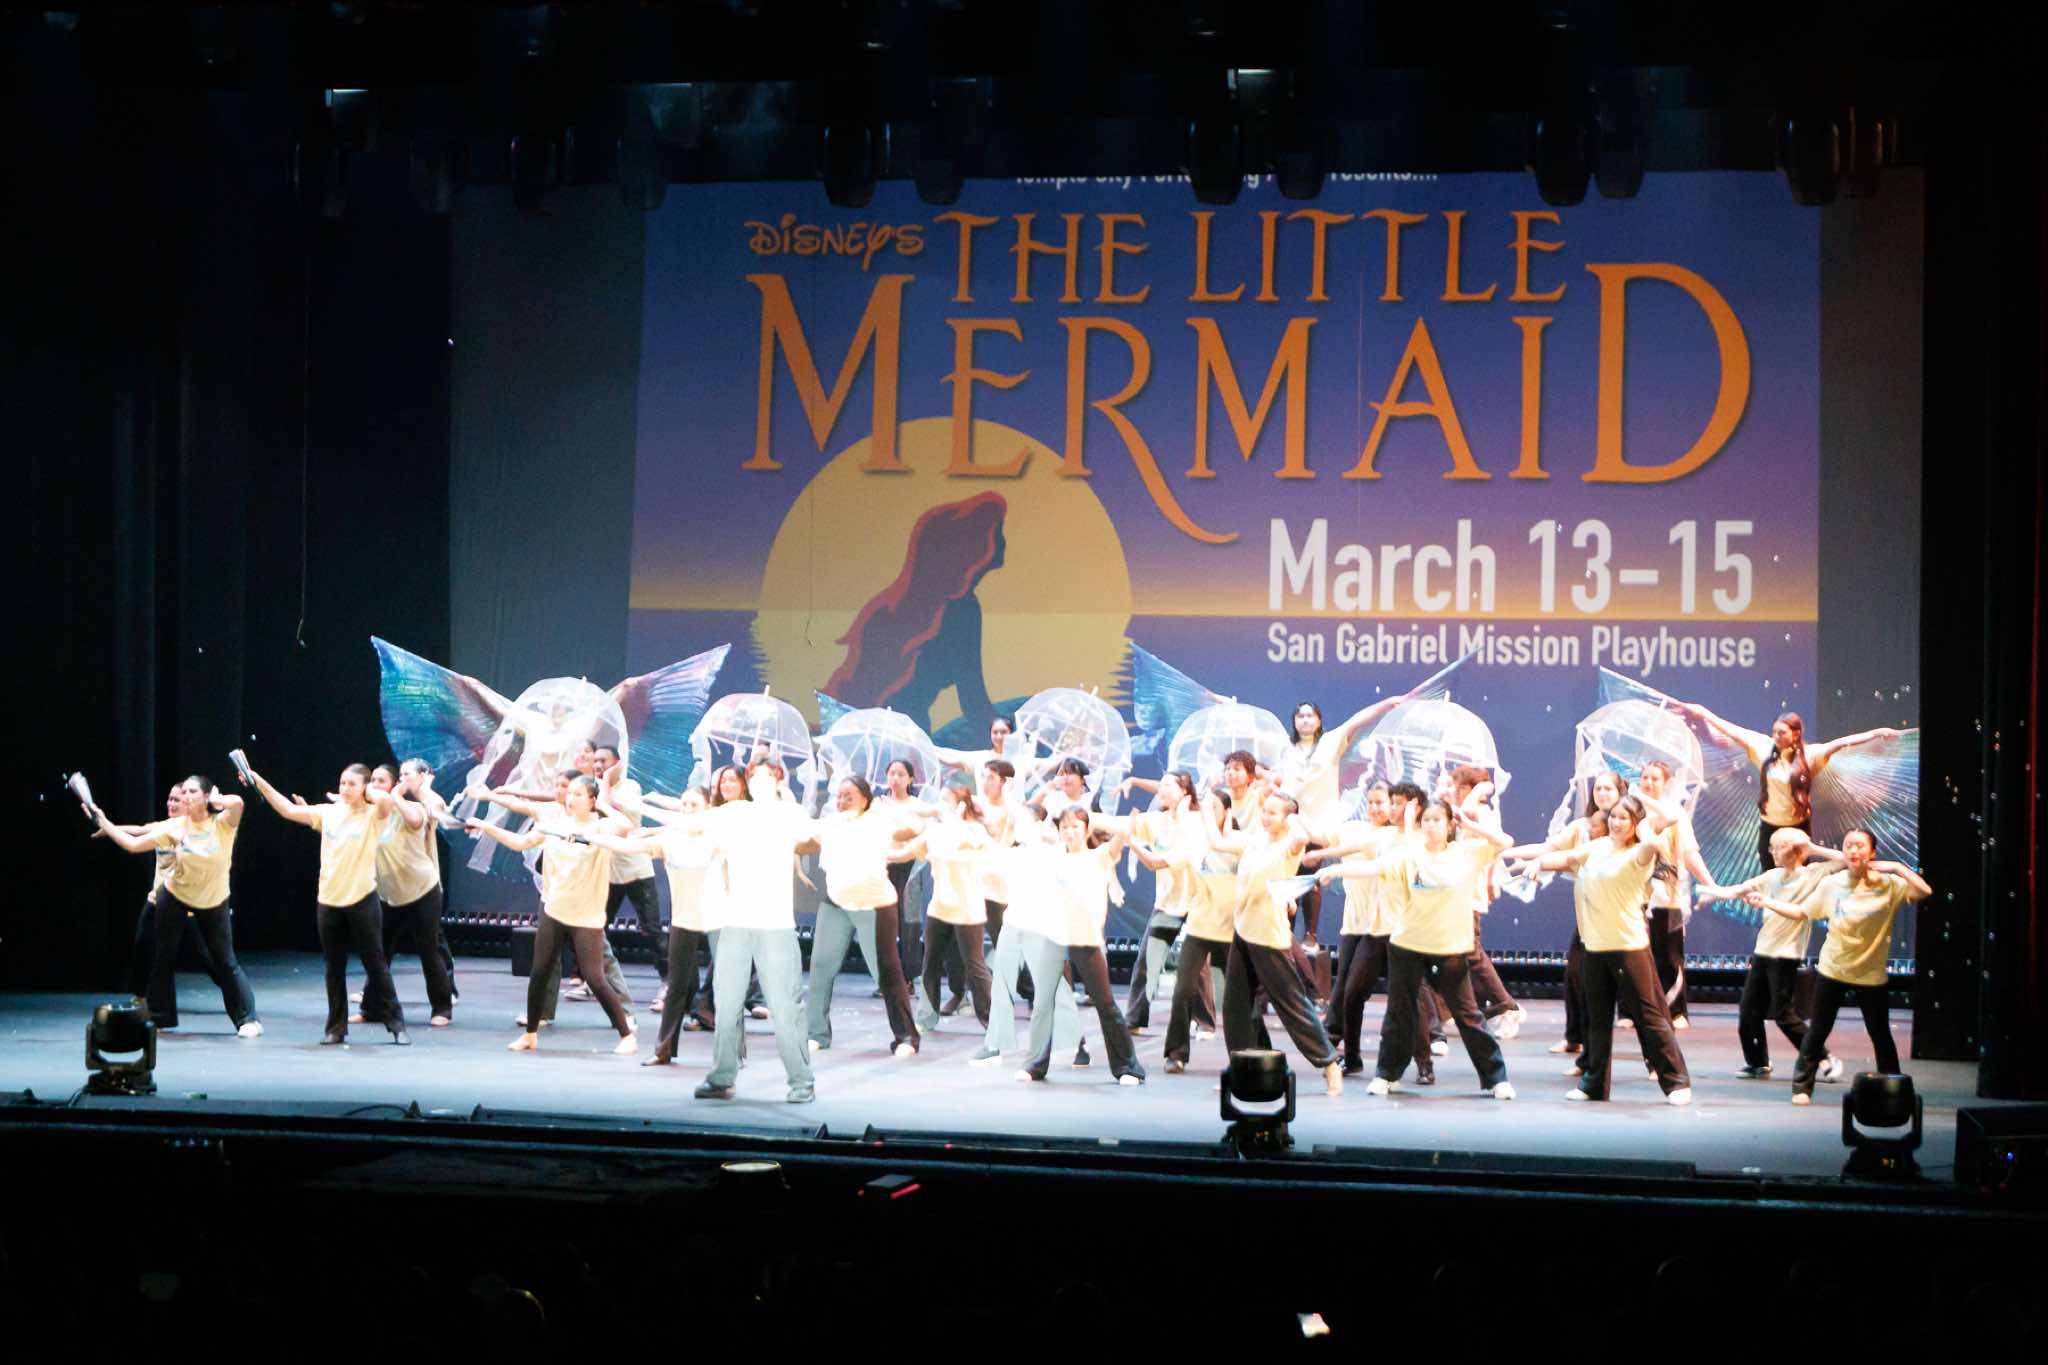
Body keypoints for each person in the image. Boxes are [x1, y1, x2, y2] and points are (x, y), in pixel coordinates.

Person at [1320, 798, 1515, 1100]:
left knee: (1468, 1015)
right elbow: (1374, 867)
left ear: (1449, 825)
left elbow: (1505, 841)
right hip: (1407, 944)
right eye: (1426, 821)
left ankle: (1496, 1079)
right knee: (1399, 1013)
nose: (1431, 826)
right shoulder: (1409, 855)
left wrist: (1470, 824)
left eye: (1437, 820)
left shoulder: (1467, 853)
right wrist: (1335, 871)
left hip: (1450, 947)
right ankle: (1387, 1075)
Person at [1506, 794, 1691, 1105]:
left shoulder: (1640, 853)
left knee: (1650, 1017)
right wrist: (1537, 862)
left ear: (1636, 824)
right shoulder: (1599, 846)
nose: (1616, 822)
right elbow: (1566, 858)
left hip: (1628, 948)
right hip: (1594, 946)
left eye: (1624, 818)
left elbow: (1666, 822)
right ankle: (1594, 1084)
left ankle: (1676, 1083)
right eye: (1613, 816)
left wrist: (1643, 804)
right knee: (1596, 1019)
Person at [1745, 828, 1932, 1105]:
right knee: (1818, 1030)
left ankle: (1894, 1088)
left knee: (1880, 1034)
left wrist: (1896, 867)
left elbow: (1924, 891)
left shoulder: (1889, 884)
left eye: (1860, 846)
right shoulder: (1832, 884)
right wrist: (1767, 901)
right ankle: (1801, 1088)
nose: (1853, 851)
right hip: (1833, 969)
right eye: (1848, 846)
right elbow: (1801, 912)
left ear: (1872, 852)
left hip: (1870, 975)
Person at [469, 775, 637, 1055]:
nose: (570, 799)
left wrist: (603, 806)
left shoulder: (601, 827)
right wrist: (486, 826)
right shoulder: (555, 822)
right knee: (539, 972)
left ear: (592, 800)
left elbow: (626, 825)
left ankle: (626, 1035)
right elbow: (521, 842)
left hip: (586, 914)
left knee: (594, 977)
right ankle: (530, 1034)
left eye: (579, 795)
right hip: (554, 908)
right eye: (570, 793)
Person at [245, 761, 409, 1045]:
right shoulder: (329, 812)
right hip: (329, 900)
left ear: (365, 787)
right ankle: (336, 1028)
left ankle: (396, 1024)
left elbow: (385, 801)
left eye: (352, 784)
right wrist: (257, 779)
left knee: (375, 963)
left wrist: (368, 792)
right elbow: (288, 810)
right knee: (334, 967)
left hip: (362, 899)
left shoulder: (373, 814)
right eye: (342, 782)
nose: (344, 788)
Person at [89, 776, 259, 1037]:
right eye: (184, 792)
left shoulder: (223, 822)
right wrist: (105, 823)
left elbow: (238, 802)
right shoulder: (176, 826)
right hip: (174, 896)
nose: (186, 796)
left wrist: (217, 800)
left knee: (225, 961)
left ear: (206, 796)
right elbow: (133, 845)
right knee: (163, 956)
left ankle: (248, 1019)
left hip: (213, 900)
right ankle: (159, 1018)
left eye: (192, 791)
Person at [693, 759, 821, 1103]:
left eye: (768, 776)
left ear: (779, 781)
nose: (760, 782)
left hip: (775, 925)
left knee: (785, 1006)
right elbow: (694, 823)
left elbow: (812, 836)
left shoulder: (789, 814)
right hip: (736, 922)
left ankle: (801, 1081)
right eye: (755, 777)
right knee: (726, 1002)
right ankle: (722, 1077)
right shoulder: (734, 813)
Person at [1207, 787, 1345, 1097]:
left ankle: (1329, 1063)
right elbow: (1218, 841)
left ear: (1286, 819)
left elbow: (1301, 834)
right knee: (1237, 1008)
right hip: (1243, 931)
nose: (1265, 816)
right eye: (1264, 810)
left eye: (1273, 813)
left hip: (1269, 937)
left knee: (1292, 1006)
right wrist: (1207, 805)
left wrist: (1292, 815)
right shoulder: (1256, 839)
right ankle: (1246, 1070)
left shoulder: (1289, 845)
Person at [1694, 828, 1846, 1080]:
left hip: (1786, 954)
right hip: (1762, 952)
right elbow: (1734, 891)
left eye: (1778, 846)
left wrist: (1811, 847)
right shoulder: (1772, 876)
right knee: (1748, 1012)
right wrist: (1707, 893)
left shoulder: (1813, 874)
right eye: (1771, 846)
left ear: (1796, 849)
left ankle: (1824, 1057)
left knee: (1784, 1016)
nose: (1772, 851)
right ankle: (1758, 1063)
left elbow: (1843, 860)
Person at [1679, 704, 1900, 871]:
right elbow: (1730, 730)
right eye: (1775, 732)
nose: (1777, 737)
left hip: (1797, 829)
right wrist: (1702, 712)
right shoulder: (1763, 748)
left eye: (1782, 733)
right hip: (1769, 828)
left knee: (1798, 881)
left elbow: (1842, 743)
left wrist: (1875, 734)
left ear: (1796, 734)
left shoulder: (1811, 756)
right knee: (1771, 879)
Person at [1016, 806, 1145, 1086]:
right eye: (1064, 827)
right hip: (1056, 937)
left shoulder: (1099, 856)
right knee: (1044, 1003)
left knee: (1105, 1004)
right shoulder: (1055, 858)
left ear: (1086, 830)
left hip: (1086, 939)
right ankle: (1035, 1064)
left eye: (1075, 826)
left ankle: (1128, 1067)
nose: (1069, 832)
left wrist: (1096, 818)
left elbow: (1123, 833)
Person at [590, 786, 716, 1067]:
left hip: (719, 920)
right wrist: (591, 836)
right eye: (684, 804)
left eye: (694, 805)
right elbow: (628, 846)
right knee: (676, 987)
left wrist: (646, 812)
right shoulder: (671, 839)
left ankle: (733, 1053)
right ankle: (664, 1050)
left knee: (729, 988)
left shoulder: (717, 836)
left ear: (708, 808)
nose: (687, 810)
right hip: (684, 921)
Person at [804, 776, 921, 1056]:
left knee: (885, 971)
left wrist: (892, 810)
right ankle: (816, 1033)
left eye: (850, 797)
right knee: (820, 966)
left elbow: (914, 828)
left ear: (865, 799)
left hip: (873, 904)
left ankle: (906, 1036)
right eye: (839, 796)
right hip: (836, 903)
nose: (842, 801)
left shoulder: (878, 822)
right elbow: (802, 842)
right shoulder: (832, 824)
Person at [1115, 771, 1216, 1032]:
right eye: (1161, 784)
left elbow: (1155, 862)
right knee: (1147, 959)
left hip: (1197, 899)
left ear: (1185, 791)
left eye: (1168, 784)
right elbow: (1120, 824)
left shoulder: (1197, 823)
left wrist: (1132, 843)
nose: (1161, 789)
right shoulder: (1157, 820)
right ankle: (1135, 1019)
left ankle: (1204, 1023)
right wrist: (1084, 817)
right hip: (1168, 900)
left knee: (1197, 966)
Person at [890, 781, 995, 1032]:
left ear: (961, 805)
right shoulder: (935, 832)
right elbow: (904, 853)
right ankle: (926, 1017)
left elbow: (971, 844)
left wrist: (954, 819)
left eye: (947, 801)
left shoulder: (975, 831)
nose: (940, 807)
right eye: (941, 801)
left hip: (967, 908)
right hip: (939, 906)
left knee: (975, 966)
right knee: (931, 963)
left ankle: (992, 1023)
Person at [363, 761, 457, 1027]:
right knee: (380, 953)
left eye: (382, 781)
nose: (375, 785)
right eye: (372, 780)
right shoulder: (371, 813)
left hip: (422, 890)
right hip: (389, 894)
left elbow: (416, 822)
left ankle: (442, 1008)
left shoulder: (414, 807)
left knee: (429, 950)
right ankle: (371, 1008)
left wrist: (396, 796)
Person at [594, 745, 669, 1000]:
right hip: (610, 869)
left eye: (604, 761)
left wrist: (605, 782)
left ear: (618, 764)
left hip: (636, 868)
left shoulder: (630, 787)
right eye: (596, 761)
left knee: (651, 929)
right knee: (596, 926)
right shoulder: (592, 787)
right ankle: (594, 978)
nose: (598, 766)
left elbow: (615, 811)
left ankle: (668, 981)